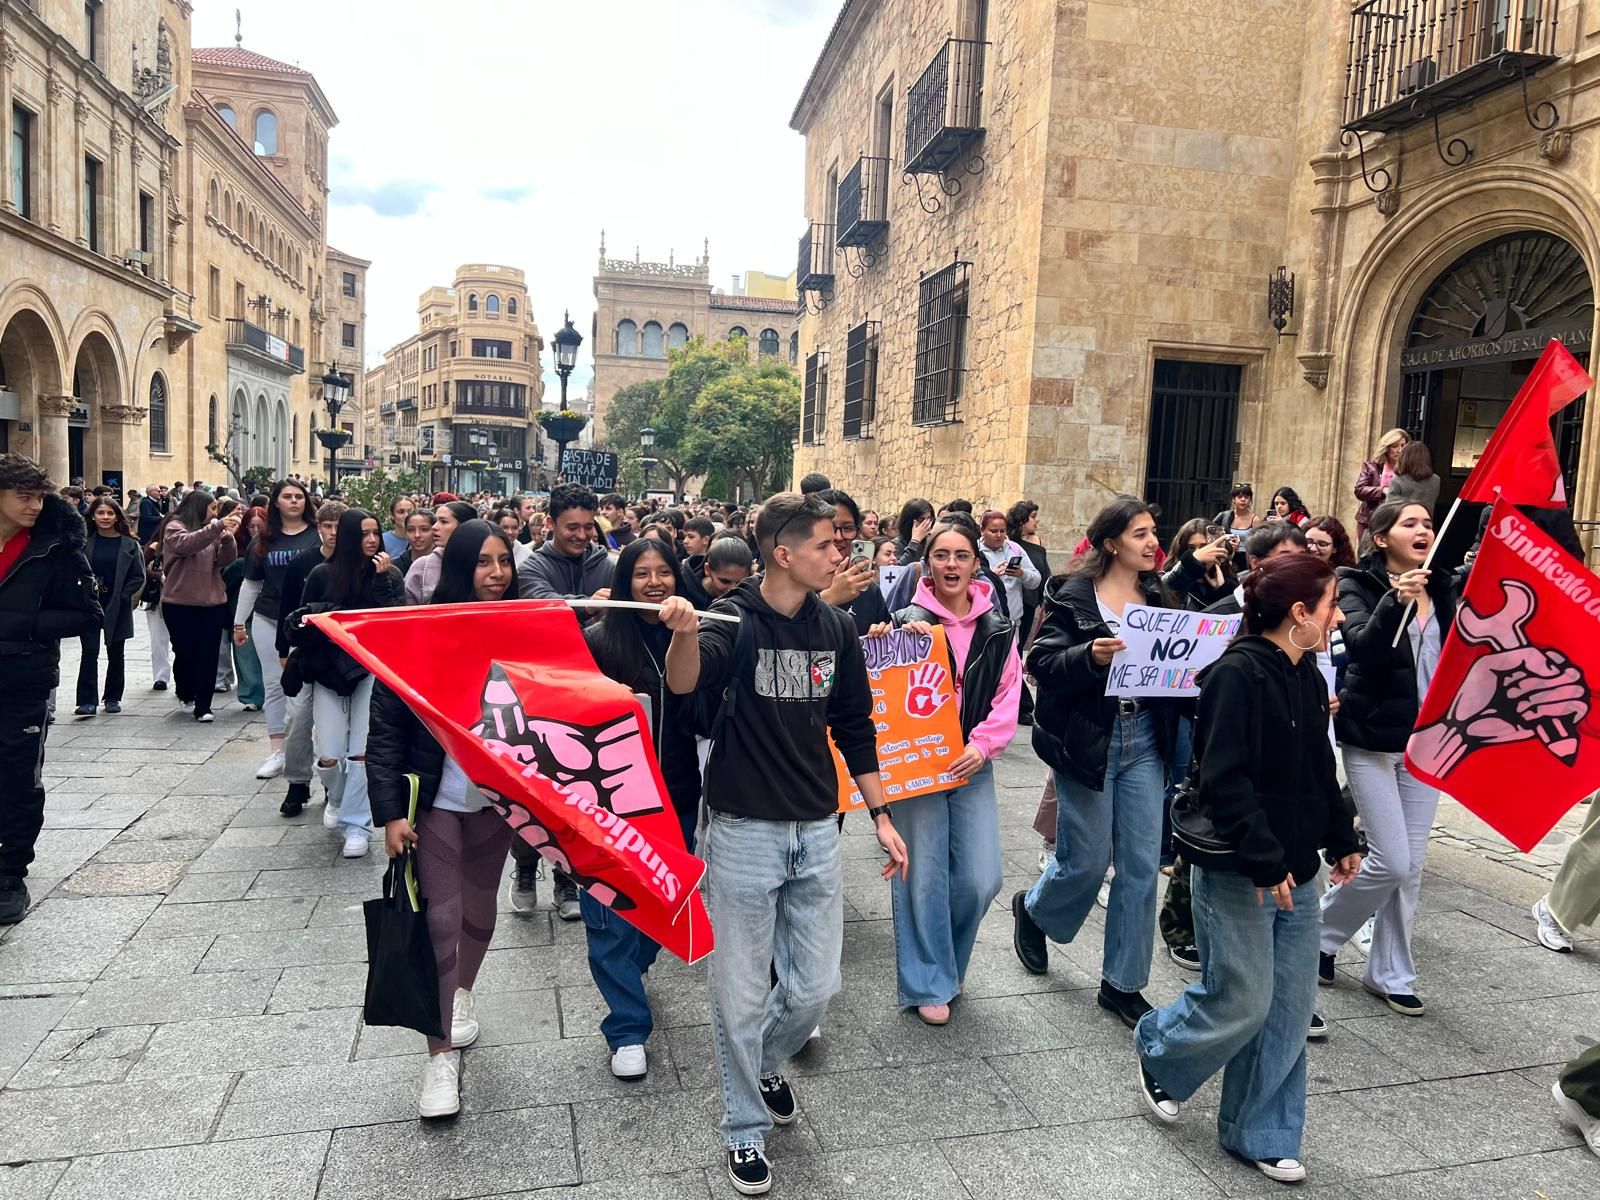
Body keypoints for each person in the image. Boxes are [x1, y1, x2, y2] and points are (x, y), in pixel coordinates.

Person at [666, 491, 907, 1196]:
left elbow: (855, 724)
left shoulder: (836, 627)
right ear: (783, 553)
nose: (840, 554)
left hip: (817, 828)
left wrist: (881, 814)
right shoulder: (732, 618)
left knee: (813, 988)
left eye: (841, 542)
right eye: (827, 544)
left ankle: (762, 1061)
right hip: (743, 830)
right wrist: (683, 633)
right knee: (740, 992)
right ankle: (743, 1124)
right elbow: (685, 684)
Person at [1136, 553, 1363, 1186]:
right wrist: (1264, 859)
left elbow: (1318, 766)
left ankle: (1259, 1132)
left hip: (1299, 869)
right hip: (1241, 869)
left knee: (1288, 1009)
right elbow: (1224, 779)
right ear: (1299, 612)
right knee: (1243, 998)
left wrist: (1340, 836)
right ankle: (1160, 1048)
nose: (1338, 617)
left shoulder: (1307, 675)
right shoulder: (1234, 674)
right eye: (1331, 605)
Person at [369, 519, 519, 1119]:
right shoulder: (421, 630)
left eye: (504, 561)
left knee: (480, 911)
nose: (496, 573)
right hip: (432, 800)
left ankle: (461, 994)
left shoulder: (523, 627)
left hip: (496, 802)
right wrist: (388, 813)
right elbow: (386, 729)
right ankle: (438, 1057)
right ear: (458, 566)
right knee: (440, 918)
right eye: (483, 561)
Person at [1012, 497, 1174, 1029]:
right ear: (1110, 543)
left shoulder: (1160, 595)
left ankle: (1122, 984)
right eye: (1139, 534)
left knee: (1140, 867)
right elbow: (1040, 662)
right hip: (1088, 738)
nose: (1152, 542)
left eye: (1153, 532)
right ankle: (1034, 910)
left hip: (1145, 737)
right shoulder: (1072, 592)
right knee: (1084, 861)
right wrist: (1090, 656)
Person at [881, 520, 1020, 1025]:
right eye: (941, 555)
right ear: (928, 564)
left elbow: (1009, 693)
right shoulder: (904, 620)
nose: (952, 564)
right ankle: (929, 980)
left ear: (976, 564)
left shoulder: (998, 627)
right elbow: (879, 685)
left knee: (982, 879)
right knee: (922, 874)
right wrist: (886, 642)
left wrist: (983, 746)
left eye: (962, 555)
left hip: (972, 764)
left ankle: (948, 966)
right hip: (918, 764)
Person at [1319, 500, 1453, 1016]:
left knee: (1410, 867)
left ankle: (1391, 972)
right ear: (1381, 537)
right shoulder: (1355, 583)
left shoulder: (1444, 586)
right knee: (1391, 859)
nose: (1423, 530)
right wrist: (1396, 602)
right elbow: (1362, 649)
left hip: (1428, 743)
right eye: (1410, 523)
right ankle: (1321, 933)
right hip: (1371, 738)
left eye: (1428, 523)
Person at [578, 537, 703, 1079]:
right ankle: (627, 1027)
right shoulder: (596, 640)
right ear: (623, 580)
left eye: (664, 572)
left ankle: (634, 965)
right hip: (606, 801)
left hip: (676, 792)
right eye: (641, 573)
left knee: (659, 903)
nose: (654, 583)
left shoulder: (696, 632)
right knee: (608, 913)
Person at [0, 456, 102, 922]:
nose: (34, 506)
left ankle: (10, 872)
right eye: (24, 496)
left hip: (24, 677)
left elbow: (88, 614)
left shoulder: (55, 547)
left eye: (40, 497)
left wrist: (18, 625)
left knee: (18, 775)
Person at [289, 508, 403, 857]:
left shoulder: (389, 573)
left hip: (371, 670)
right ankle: (337, 799)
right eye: (364, 533)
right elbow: (303, 620)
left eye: (376, 533)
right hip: (329, 672)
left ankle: (357, 824)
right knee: (328, 753)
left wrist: (382, 581)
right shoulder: (322, 573)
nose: (371, 540)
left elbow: (396, 622)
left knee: (362, 752)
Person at [234, 480, 319, 778]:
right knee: (274, 685)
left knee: (308, 688)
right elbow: (251, 584)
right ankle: (278, 751)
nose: (294, 501)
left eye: (299, 496)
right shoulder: (263, 540)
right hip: (268, 618)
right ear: (276, 502)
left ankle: (312, 748)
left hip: (309, 623)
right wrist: (239, 622)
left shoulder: (318, 536)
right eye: (287, 496)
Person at [274, 500, 345, 817]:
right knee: (298, 717)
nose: (333, 533)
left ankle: (332, 783)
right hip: (304, 650)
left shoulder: (354, 563)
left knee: (336, 723)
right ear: (318, 528)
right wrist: (283, 650)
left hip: (339, 656)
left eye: (338, 527)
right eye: (327, 526)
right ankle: (298, 781)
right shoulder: (302, 562)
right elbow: (287, 607)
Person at [161, 489, 241, 722]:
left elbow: (225, 560)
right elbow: (186, 544)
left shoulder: (211, 532)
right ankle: (186, 691)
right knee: (185, 652)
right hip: (179, 602)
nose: (215, 513)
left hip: (212, 603)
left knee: (208, 654)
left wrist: (227, 540)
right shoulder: (175, 527)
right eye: (212, 508)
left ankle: (204, 706)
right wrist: (216, 528)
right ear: (198, 507)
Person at [73, 497, 145, 717]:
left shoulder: (129, 544)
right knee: (89, 652)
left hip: (117, 605)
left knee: (116, 653)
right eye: (100, 513)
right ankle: (87, 700)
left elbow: (138, 576)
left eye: (110, 513)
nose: (105, 517)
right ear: (93, 516)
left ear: (117, 516)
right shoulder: (83, 542)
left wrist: (123, 596)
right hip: (89, 605)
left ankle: (113, 697)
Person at [518, 482, 613, 609]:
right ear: (550, 523)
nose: (582, 535)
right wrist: (588, 605)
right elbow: (542, 601)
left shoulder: (608, 567)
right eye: (572, 528)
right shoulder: (531, 569)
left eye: (588, 527)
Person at [817, 488, 889, 635]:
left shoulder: (868, 589)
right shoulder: (796, 585)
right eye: (830, 528)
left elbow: (886, 629)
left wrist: (884, 632)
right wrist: (826, 599)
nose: (838, 537)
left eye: (848, 528)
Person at [977, 509, 1042, 631]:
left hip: (1014, 622)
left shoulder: (1014, 548)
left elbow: (1036, 580)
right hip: (984, 623)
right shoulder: (974, 550)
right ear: (982, 530)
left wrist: (1022, 574)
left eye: (1002, 531)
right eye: (993, 531)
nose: (999, 535)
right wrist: (991, 577)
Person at [405, 501, 476, 604]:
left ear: (465, 526)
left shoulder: (482, 563)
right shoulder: (422, 566)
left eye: (443, 522)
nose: (434, 527)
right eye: (436, 521)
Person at [1162, 519, 1235, 611]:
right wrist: (1190, 565)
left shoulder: (1230, 581)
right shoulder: (1169, 578)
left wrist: (1222, 591)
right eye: (1191, 548)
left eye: (1204, 547)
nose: (1199, 553)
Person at [1353, 428, 1409, 541]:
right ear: (1386, 448)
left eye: (1403, 446)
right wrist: (1382, 490)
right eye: (1395, 446)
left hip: (1396, 522)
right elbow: (1359, 490)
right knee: (1367, 552)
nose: (1400, 450)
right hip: (1369, 521)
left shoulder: (1408, 469)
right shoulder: (1372, 466)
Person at [1385, 440, 1440, 516]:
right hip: (1425, 520)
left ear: (1404, 458)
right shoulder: (1436, 480)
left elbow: (1389, 508)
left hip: (1403, 521)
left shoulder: (1397, 480)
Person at [1215, 484, 1262, 572]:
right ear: (1233, 499)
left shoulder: (1255, 520)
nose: (1243, 500)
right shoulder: (1224, 516)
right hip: (1226, 557)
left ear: (1250, 500)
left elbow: (1258, 544)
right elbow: (1212, 535)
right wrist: (1227, 543)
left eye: (1246, 497)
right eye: (1239, 497)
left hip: (1245, 560)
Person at [392, 507, 434, 578]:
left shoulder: (444, 563)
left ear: (434, 531)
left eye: (424, 529)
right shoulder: (395, 567)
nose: (417, 535)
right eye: (411, 530)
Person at [893, 498, 936, 566]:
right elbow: (900, 568)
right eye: (921, 520)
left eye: (929, 519)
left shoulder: (932, 541)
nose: (927, 524)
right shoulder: (897, 544)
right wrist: (915, 541)